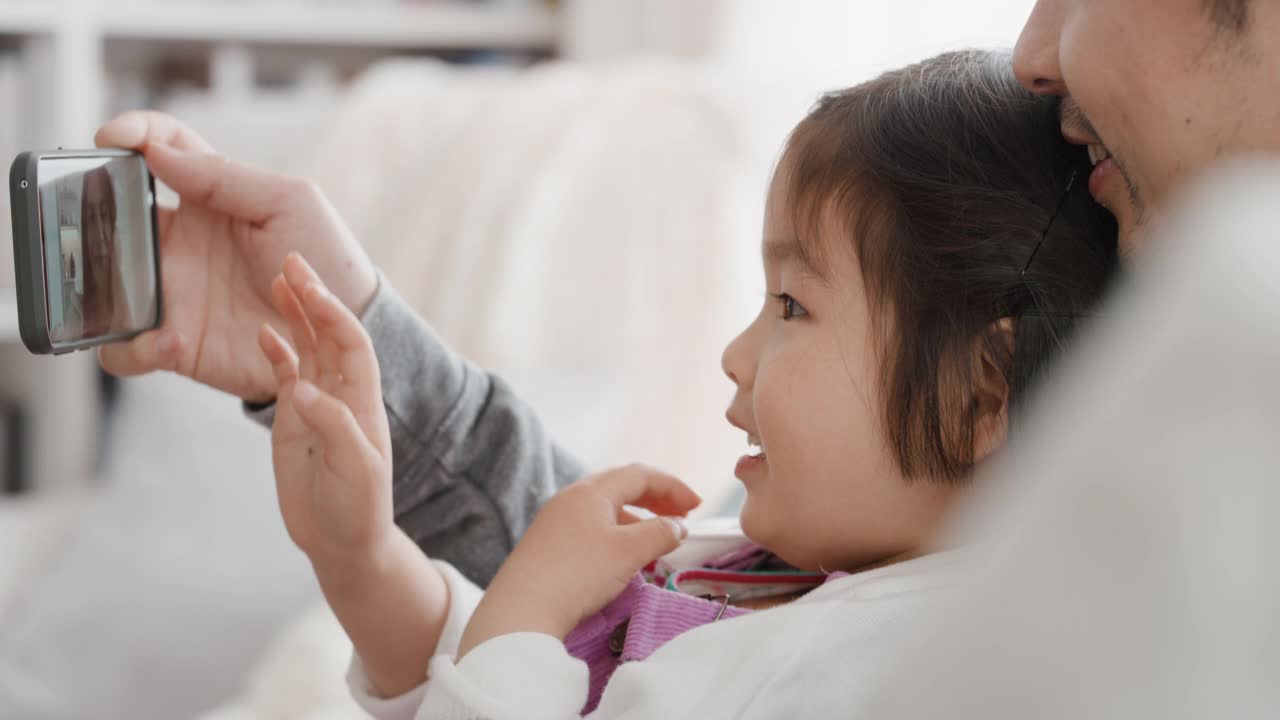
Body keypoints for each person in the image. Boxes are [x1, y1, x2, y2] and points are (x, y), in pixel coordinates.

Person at [256, 50, 1117, 717]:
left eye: (793, 304)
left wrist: (528, 604)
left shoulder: (833, 673)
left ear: (980, 394)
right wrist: (360, 560)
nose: (736, 354)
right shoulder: (807, 578)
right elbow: (515, 687)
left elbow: (498, 687)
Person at [80, 166, 132, 338]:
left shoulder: (132, 307)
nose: (101, 236)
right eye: (90, 219)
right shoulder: (75, 314)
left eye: (104, 215)